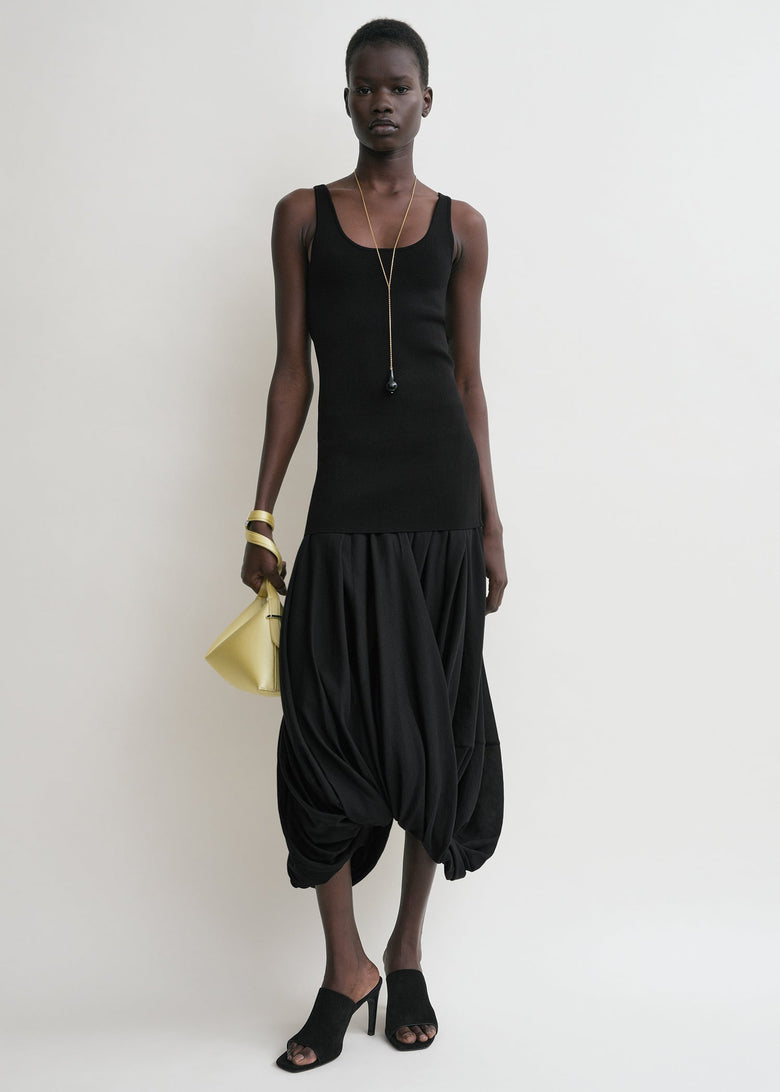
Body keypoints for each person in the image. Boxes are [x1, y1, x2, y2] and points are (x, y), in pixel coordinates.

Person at [240, 18, 507, 1072]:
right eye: (364, 86)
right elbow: (291, 373)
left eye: (398, 86)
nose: (381, 102)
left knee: (435, 735)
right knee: (322, 735)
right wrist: (262, 515)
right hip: (346, 509)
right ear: (346, 98)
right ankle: (343, 965)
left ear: (426, 100)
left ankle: (405, 952)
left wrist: (491, 523)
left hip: (442, 510)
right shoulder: (301, 218)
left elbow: (469, 383)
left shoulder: (464, 227)